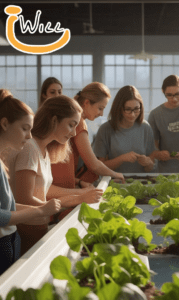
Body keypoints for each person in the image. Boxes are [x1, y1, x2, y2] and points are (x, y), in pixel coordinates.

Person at [6, 95, 103, 255]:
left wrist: (81, 193)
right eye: (71, 125)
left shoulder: (41, 148)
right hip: (25, 231)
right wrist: (78, 198)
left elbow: (45, 189)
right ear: (54, 120)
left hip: (36, 228)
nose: (73, 134)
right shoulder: (30, 148)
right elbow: (25, 199)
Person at [0, 95, 61, 275]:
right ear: (4, 124)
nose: (29, 136)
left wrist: (44, 208)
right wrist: (40, 211)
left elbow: (9, 207)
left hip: (10, 241)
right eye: (25, 128)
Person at [50, 82, 125, 190]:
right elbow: (93, 164)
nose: (101, 114)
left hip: (55, 185)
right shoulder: (79, 122)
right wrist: (115, 174)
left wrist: (79, 182)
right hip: (61, 188)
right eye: (100, 108)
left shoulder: (69, 116)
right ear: (86, 103)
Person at [93, 85, 156, 173]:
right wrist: (121, 159)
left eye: (136, 109)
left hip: (141, 183)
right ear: (119, 108)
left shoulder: (146, 127)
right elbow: (98, 167)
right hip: (114, 183)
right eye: (128, 109)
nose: (132, 114)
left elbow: (151, 166)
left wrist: (149, 163)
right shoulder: (105, 129)